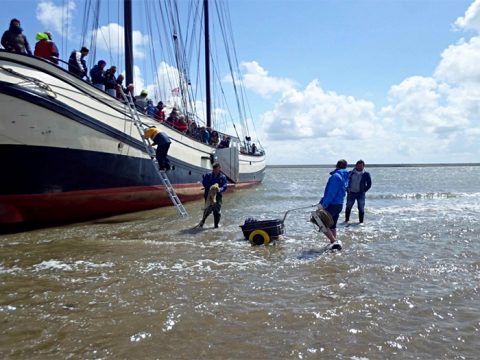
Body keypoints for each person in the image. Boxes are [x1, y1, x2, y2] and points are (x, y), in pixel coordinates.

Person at [318, 159, 349, 248]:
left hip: (332, 204)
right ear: (345, 166)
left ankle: (334, 241)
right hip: (339, 204)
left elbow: (331, 192)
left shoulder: (335, 176)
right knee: (332, 224)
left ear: (336, 166)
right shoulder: (345, 176)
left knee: (320, 221)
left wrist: (324, 204)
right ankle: (334, 244)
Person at [198, 163, 228, 228]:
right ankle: (202, 222)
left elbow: (225, 186)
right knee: (208, 209)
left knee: (216, 210)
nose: (215, 171)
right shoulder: (208, 175)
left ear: (219, 169)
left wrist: (220, 189)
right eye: (214, 169)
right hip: (208, 195)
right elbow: (204, 182)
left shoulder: (222, 177)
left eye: (216, 169)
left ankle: (216, 226)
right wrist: (210, 187)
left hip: (218, 195)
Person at [345, 160, 372, 224]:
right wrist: (347, 189)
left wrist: (364, 190)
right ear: (355, 165)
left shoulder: (366, 174)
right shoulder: (350, 173)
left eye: (361, 166)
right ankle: (346, 220)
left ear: (363, 166)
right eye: (358, 166)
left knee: (361, 208)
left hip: (361, 194)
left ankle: (361, 222)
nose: (359, 167)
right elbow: (345, 182)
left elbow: (369, 184)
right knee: (348, 207)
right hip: (351, 193)